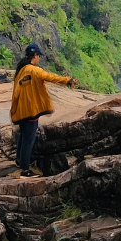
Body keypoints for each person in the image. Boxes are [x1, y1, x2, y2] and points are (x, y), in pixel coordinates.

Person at [10, 44, 77, 177]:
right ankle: (25, 169)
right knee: (28, 140)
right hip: (31, 111)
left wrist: (14, 111)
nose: (39, 58)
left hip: (22, 110)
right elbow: (51, 77)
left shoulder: (21, 70)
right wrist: (67, 80)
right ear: (35, 56)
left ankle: (19, 159)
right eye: (39, 56)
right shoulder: (35, 71)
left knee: (23, 136)